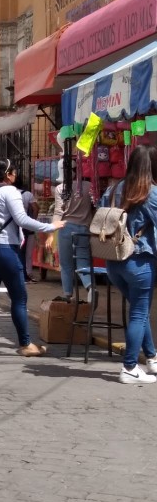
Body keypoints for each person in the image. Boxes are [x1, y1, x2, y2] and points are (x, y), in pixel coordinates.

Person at [0, 158, 63, 359]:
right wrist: (50, 227)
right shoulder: (10, 192)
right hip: (5, 249)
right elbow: (22, 220)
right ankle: (26, 344)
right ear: (7, 174)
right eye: (13, 171)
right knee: (19, 299)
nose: (15, 175)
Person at [99, 145, 157, 384]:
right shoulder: (151, 192)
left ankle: (152, 358)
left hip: (114, 262)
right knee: (139, 313)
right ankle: (130, 367)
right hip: (140, 262)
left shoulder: (114, 189)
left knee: (138, 311)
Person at [45, 171, 94, 302]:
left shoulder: (61, 188)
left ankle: (68, 295)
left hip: (65, 228)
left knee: (66, 265)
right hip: (84, 229)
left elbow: (58, 212)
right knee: (83, 262)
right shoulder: (89, 186)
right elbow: (95, 207)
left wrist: (51, 233)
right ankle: (90, 287)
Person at [15, 179, 39, 282]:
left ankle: (19, 273)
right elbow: (35, 208)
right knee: (28, 252)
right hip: (26, 226)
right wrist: (33, 220)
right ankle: (27, 273)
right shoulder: (28, 194)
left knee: (18, 251)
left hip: (15, 225)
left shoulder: (11, 193)